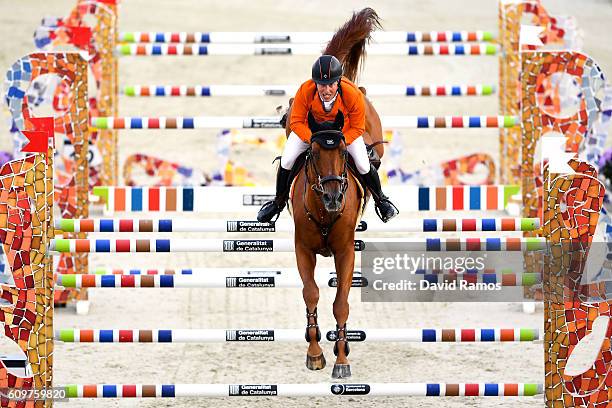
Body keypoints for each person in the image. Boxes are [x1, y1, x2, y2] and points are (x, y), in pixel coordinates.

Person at [257, 54, 398, 223]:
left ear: (338, 82)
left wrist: (342, 142)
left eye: (331, 84)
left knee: (362, 163)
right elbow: (295, 122)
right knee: (286, 160)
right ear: (315, 83)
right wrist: (313, 140)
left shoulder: (352, 94)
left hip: (344, 133)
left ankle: (381, 201)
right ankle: (278, 203)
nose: (326, 90)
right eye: (322, 85)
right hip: (310, 133)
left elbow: (358, 127)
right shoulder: (305, 91)